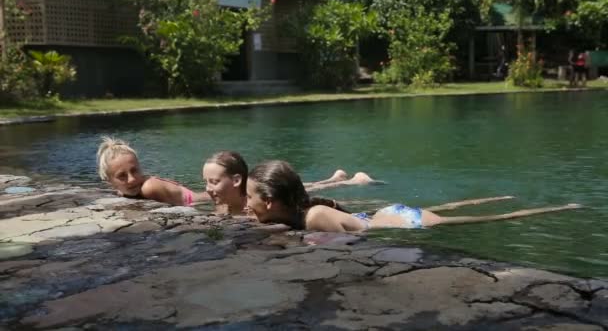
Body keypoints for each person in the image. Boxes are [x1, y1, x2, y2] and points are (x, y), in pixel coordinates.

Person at [246, 160, 582, 232]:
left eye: (251, 198)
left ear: (272, 201)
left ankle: (561, 206)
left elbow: (351, 243)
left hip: (401, 221)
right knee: (454, 210)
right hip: (382, 215)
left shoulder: (315, 217)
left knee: (483, 220)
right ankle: (499, 197)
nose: (247, 205)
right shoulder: (298, 212)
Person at [97, 137, 377, 209]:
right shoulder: (138, 187)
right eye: (122, 176)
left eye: (134, 171)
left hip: (208, 199)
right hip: (212, 194)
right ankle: (337, 178)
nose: (132, 179)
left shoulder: (147, 189)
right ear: (109, 181)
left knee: (287, 192)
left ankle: (351, 181)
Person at [202, 150, 379, 215]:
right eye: (206, 182)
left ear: (237, 180)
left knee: (306, 193)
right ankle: (336, 179)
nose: (208, 189)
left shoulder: (255, 203)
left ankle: (355, 181)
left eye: (214, 182)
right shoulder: (222, 207)